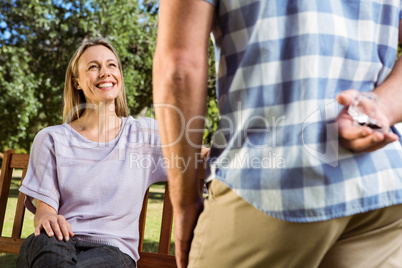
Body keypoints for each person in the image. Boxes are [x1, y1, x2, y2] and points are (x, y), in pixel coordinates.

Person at [153, 1, 402, 267]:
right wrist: (380, 107)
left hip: (270, 185)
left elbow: (178, 67)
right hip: (382, 189)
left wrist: (185, 202)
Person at [17, 38, 166, 267]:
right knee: (47, 245)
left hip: (113, 251)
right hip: (55, 242)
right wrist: (47, 217)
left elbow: (197, 156)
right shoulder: (51, 139)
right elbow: (44, 212)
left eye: (112, 65)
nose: (105, 72)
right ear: (76, 82)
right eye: (93, 67)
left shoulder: (144, 134)